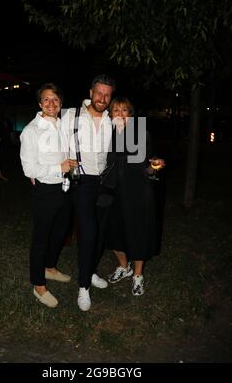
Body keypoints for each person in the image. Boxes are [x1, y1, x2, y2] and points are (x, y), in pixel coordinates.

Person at [20, 83, 77, 308]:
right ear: (39, 103)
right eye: (46, 99)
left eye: (55, 99)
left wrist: (70, 165)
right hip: (45, 189)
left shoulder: (63, 125)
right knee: (41, 238)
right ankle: (38, 285)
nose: (51, 104)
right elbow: (29, 170)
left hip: (65, 186)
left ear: (61, 103)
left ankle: (50, 268)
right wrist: (59, 167)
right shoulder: (31, 131)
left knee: (61, 230)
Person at [61, 74, 115, 311]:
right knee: (89, 231)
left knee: (101, 232)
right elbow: (56, 143)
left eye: (107, 94)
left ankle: (91, 271)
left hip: (104, 182)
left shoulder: (113, 119)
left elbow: (124, 148)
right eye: (99, 93)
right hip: (81, 181)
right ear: (90, 93)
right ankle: (83, 287)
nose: (102, 98)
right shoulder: (70, 115)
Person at [105, 96, 165, 296]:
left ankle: (138, 274)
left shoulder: (141, 134)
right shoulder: (105, 135)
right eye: (116, 110)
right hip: (114, 192)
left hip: (138, 192)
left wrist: (154, 167)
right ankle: (124, 266)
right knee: (113, 232)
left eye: (125, 111)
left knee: (138, 232)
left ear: (130, 115)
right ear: (110, 115)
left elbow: (148, 168)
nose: (120, 114)